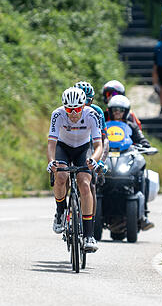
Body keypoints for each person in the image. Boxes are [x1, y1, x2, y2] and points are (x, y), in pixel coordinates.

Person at [48, 87, 105, 252]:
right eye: (69, 109)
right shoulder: (57, 114)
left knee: (85, 184)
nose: (73, 113)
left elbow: (98, 145)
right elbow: (52, 143)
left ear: (84, 106)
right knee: (61, 176)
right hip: (63, 147)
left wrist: (93, 160)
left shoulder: (91, 115)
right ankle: (60, 212)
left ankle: (88, 235)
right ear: (64, 107)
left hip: (83, 148)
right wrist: (52, 162)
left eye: (77, 109)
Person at [106, 94, 154, 229]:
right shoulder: (104, 126)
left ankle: (143, 214)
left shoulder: (132, 126)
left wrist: (146, 146)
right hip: (108, 157)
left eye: (120, 110)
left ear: (126, 111)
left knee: (141, 175)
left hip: (125, 157)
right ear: (110, 110)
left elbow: (141, 139)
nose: (117, 112)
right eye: (115, 109)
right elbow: (96, 138)